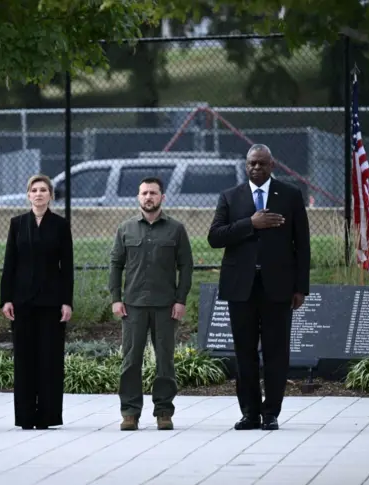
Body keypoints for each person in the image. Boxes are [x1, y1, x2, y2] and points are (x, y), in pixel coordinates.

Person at [207, 144, 311, 431]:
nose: (256, 168)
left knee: (277, 352)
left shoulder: (290, 195)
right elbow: (215, 237)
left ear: (272, 165)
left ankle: (271, 413)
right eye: (252, 163)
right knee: (245, 352)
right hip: (241, 288)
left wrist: (301, 287)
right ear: (245, 165)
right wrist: (250, 223)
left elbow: (302, 244)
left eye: (262, 163)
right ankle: (250, 413)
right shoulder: (230, 197)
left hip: (278, 288)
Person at [109, 176, 193, 431]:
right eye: (144, 193)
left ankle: (164, 412)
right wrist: (115, 299)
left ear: (162, 197)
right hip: (133, 305)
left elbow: (186, 266)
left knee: (165, 361)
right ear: (138, 197)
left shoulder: (176, 229)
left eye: (153, 193)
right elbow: (116, 265)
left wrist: (180, 300)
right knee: (131, 361)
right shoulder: (126, 229)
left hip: (166, 306)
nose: (148, 197)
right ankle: (130, 413)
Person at [0, 174, 74, 430]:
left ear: (51, 195)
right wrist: (6, 298)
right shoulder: (17, 224)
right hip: (22, 302)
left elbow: (67, 267)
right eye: (34, 190)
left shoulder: (61, 225)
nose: (39, 194)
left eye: (44, 190)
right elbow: (9, 264)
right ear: (28, 195)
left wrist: (67, 302)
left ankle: (48, 416)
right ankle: (26, 416)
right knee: (24, 359)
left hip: (52, 303)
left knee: (49, 359)